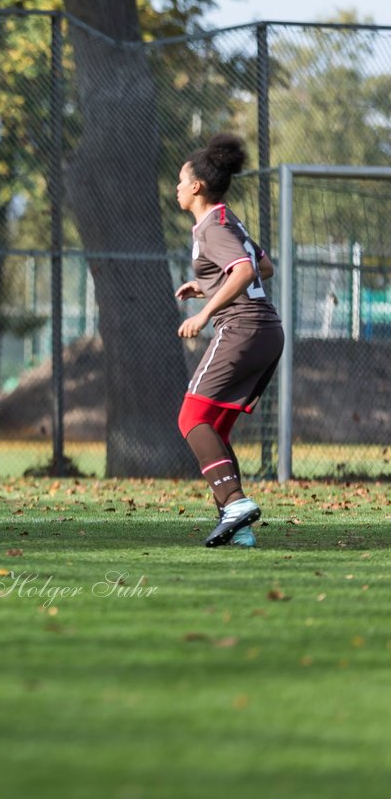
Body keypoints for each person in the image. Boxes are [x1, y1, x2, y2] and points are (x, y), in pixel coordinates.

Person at [173, 133, 284, 548]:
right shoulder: (225, 218)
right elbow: (264, 265)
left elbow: (245, 271)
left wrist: (203, 313)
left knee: (190, 418)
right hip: (264, 331)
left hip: (243, 327)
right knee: (214, 426)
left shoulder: (210, 227)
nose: (178, 188)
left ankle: (235, 503)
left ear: (197, 186)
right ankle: (238, 524)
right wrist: (206, 287)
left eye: (182, 181)